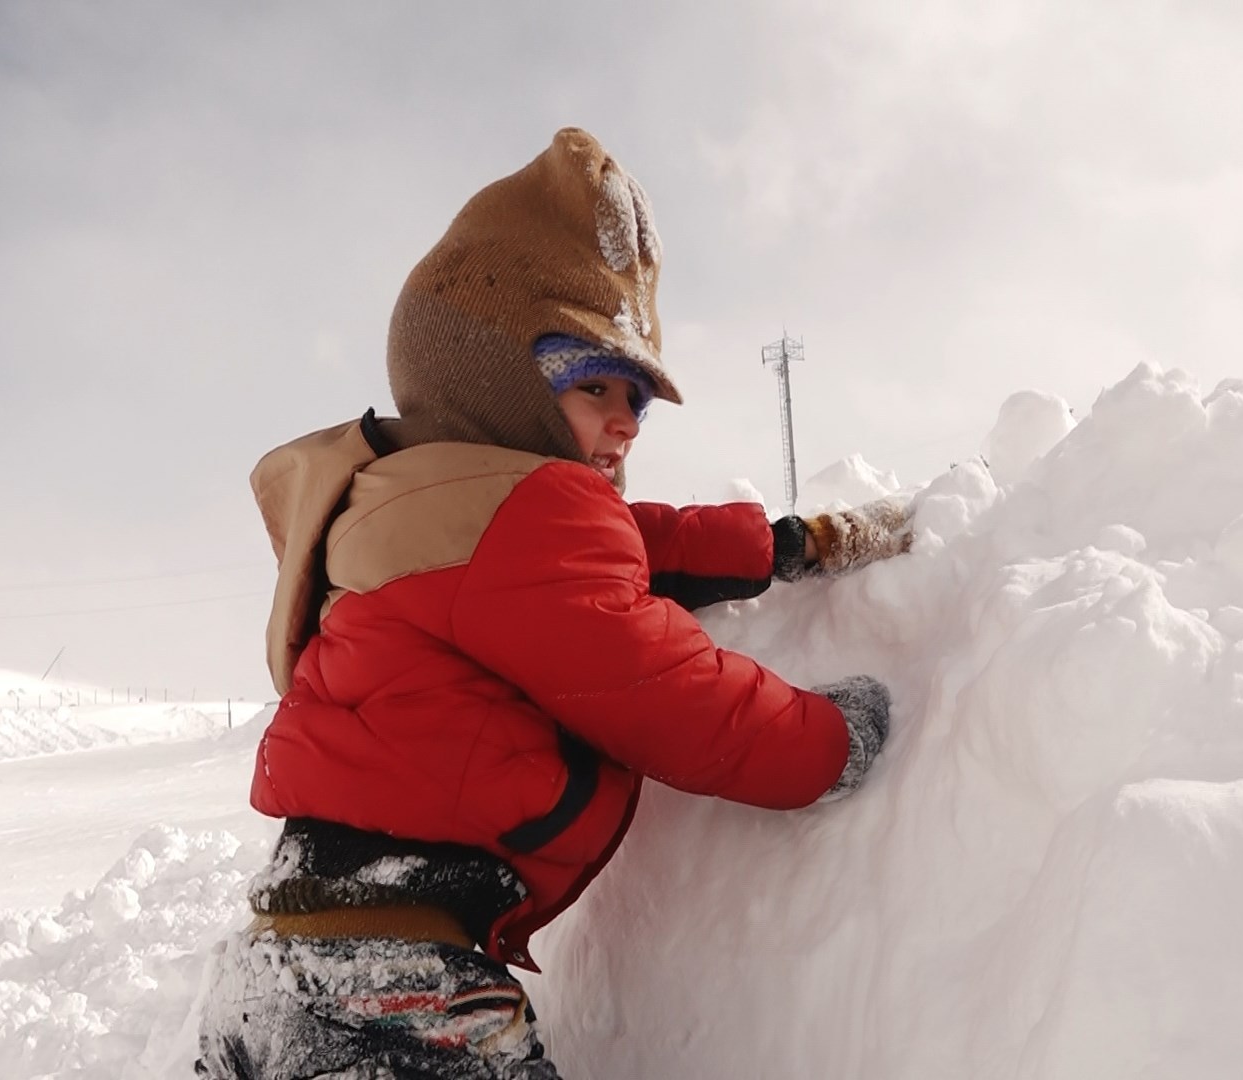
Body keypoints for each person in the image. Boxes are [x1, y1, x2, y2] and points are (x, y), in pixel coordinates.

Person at [196, 128, 912, 1080]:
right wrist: (833, 739)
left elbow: (618, 552)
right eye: (592, 383)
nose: (624, 419)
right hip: (395, 990)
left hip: (275, 963)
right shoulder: (529, 525)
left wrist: (778, 546)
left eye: (638, 399)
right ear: (494, 379)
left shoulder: (405, 501)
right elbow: (672, 695)